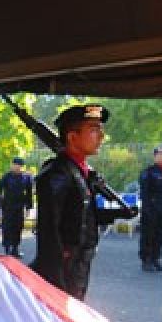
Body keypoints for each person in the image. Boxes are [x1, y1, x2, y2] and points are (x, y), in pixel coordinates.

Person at [29, 104, 135, 300]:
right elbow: (49, 233)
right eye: (94, 130)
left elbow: (83, 216)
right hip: (62, 270)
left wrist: (117, 213)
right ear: (72, 137)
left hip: (79, 264)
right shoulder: (57, 174)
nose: (101, 136)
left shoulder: (81, 172)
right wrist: (56, 285)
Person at [137, 146, 162, 271]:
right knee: (148, 235)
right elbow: (144, 193)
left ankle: (155, 258)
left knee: (160, 235)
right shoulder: (149, 172)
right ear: (155, 156)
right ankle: (146, 260)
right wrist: (147, 209)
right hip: (151, 209)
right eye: (160, 154)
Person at [0, 156, 33, 257]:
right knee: (7, 228)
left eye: (17, 165)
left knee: (18, 228)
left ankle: (15, 249)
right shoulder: (6, 177)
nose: (15, 167)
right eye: (14, 164)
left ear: (21, 167)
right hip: (7, 207)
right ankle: (7, 250)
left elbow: (29, 194)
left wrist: (28, 208)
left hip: (19, 208)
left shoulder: (26, 178)